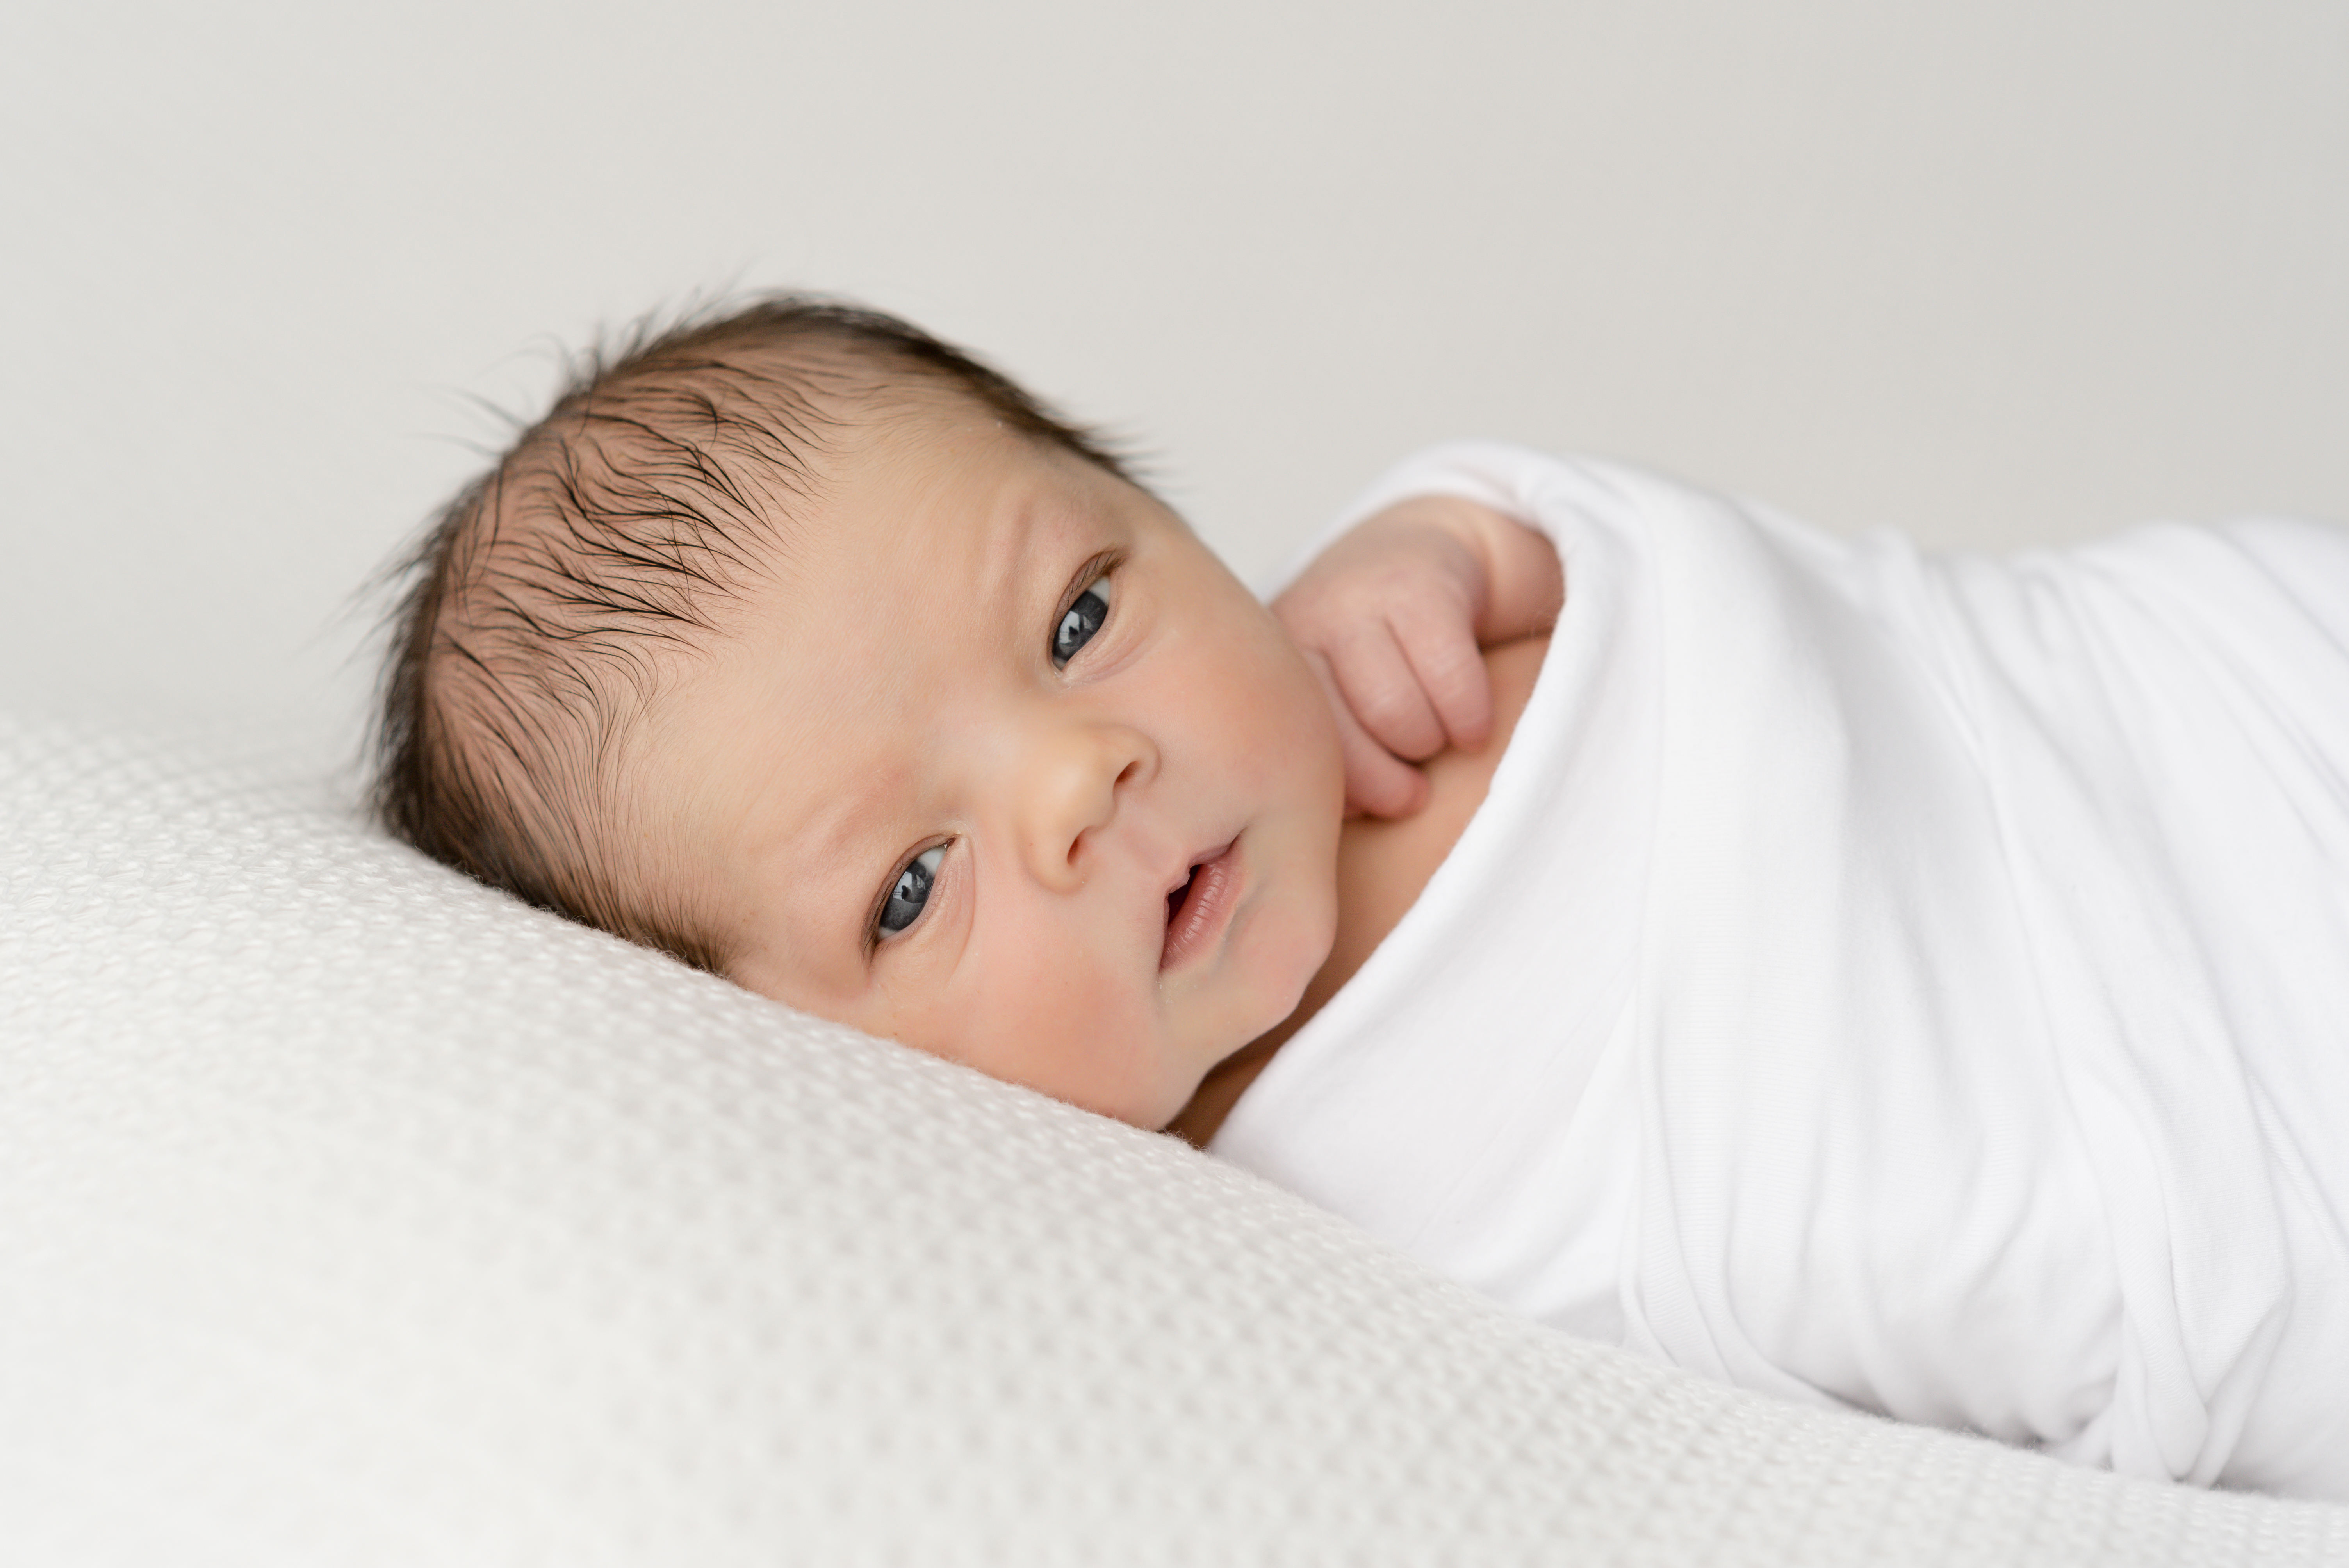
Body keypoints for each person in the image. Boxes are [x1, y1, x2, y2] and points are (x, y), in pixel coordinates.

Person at [374, 294, 2349, 1499]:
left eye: (1079, 611)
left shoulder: (1363, 643)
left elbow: (1717, 595)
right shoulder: (1251, 1237)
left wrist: (1466, 534)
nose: (1081, 776)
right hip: (2204, 1115)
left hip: (2200, 689)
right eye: (910, 882)